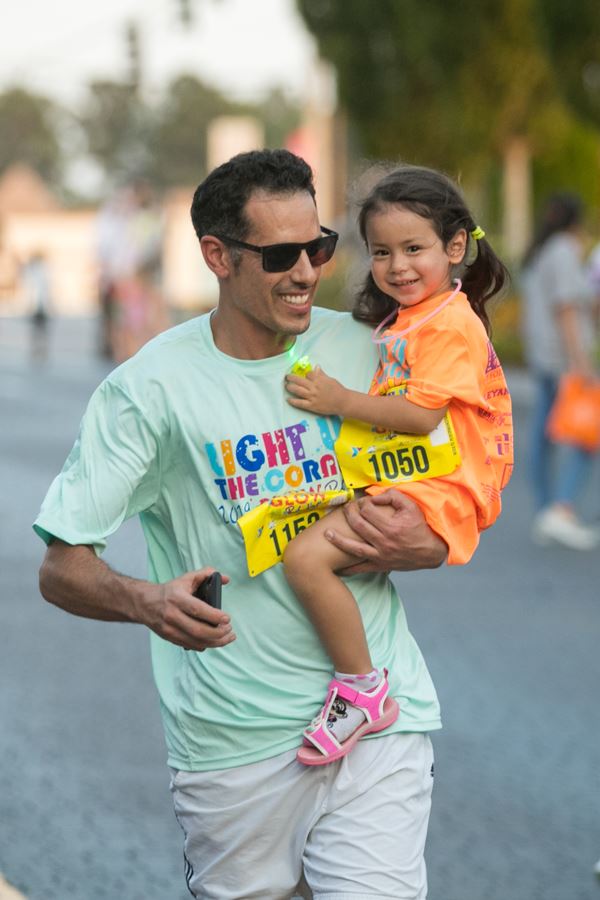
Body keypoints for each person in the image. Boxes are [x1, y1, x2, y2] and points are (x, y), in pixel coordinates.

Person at [35, 149, 449, 900]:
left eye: (317, 248)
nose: (305, 273)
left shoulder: (368, 350)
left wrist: (433, 540)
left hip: (379, 726)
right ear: (218, 257)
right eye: (281, 255)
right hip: (235, 746)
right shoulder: (148, 390)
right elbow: (62, 564)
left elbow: (455, 480)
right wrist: (149, 601)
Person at [283, 165, 513, 765]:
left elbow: (419, 417)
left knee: (305, 558)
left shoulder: (448, 325)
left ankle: (363, 688)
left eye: (415, 248)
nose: (397, 266)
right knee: (304, 533)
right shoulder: (415, 317)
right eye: (381, 251)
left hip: (442, 488)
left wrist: (338, 400)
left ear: (455, 247)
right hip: (421, 478)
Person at [520, 192, 600, 550]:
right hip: (563, 360)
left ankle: (547, 509)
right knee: (586, 434)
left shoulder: (540, 252)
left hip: (543, 356)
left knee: (544, 434)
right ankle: (561, 508)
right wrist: (582, 364)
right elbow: (566, 309)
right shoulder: (565, 252)